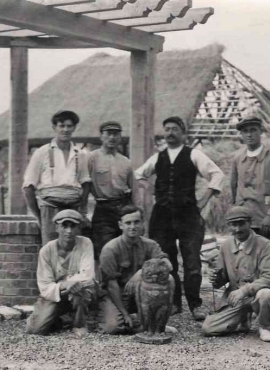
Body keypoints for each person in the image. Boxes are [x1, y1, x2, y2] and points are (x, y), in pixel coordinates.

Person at [135, 116, 224, 320]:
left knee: (192, 262)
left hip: (188, 216)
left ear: (183, 133)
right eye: (166, 129)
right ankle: (174, 303)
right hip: (162, 217)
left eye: (174, 129)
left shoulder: (194, 154)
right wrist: (149, 190)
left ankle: (195, 305)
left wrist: (204, 199)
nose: (170, 133)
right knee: (167, 260)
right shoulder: (157, 158)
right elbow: (139, 174)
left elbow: (217, 174)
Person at [230, 114, 270, 314]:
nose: (249, 135)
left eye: (253, 130)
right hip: (246, 224)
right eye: (245, 131)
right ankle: (250, 309)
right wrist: (237, 215)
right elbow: (234, 188)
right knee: (247, 268)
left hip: (268, 224)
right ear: (241, 134)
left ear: (260, 132)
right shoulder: (238, 158)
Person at [202, 206, 270, 343]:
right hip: (236, 298)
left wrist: (244, 291)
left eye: (241, 224)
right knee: (208, 328)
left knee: (266, 295)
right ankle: (244, 318)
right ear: (229, 225)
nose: (237, 229)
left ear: (250, 223)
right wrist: (216, 278)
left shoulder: (265, 244)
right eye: (233, 224)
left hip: (259, 294)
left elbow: (269, 277)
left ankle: (265, 325)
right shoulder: (226, 246)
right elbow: (223, 279)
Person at [97, 205, 169, 334]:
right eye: (128, 223)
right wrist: (125, 314)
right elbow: (111, 286)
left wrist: (142, 272)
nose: (133, 226)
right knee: (112, 327)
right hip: (115, 295)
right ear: (120, 225)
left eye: (136, 222)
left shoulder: (150, 245)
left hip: (140, 293)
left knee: (170, 279)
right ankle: (133, 320)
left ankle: (153, 322)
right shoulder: (110, 249)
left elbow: (167, 266)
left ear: (142, 223)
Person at [23, 110, 91, 244]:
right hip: (49, 208)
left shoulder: (80, 154)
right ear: (54, 128)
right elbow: (28, 187)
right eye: (62, 126)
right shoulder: (41, 153)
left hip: (73, 207)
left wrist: (82, 212)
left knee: (73, 248)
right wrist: (39, 216)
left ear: (74, 128)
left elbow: (86, 183)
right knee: (50, 249)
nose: (66, 130)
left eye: (69, 126)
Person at [26, 209, 95, 337]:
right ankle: (60, 318)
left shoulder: (85, 243)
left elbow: (88, 275)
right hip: (57, 292)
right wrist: (65, 285)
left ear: (79, 228)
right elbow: (45, 285)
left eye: (73, 226)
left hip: (79, 290)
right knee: (35, 330)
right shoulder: (46, 251)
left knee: (79, 289)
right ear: (57, 227)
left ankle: (79, 324)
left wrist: (69, 283)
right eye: (64, 226)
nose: (69, 231)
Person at [88, 121, 140, 261]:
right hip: (103, 209)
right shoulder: (91, 158)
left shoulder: (126, 161)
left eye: (115, 134)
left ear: (120, 137)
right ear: (101, 136)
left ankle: (124, 282)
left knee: (126, 248)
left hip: (124, 206)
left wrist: (138, 213)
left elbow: (134, 189)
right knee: (104, 249)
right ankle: (106, 282)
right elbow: (84, 185)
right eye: (108, 133)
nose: (112, 137)